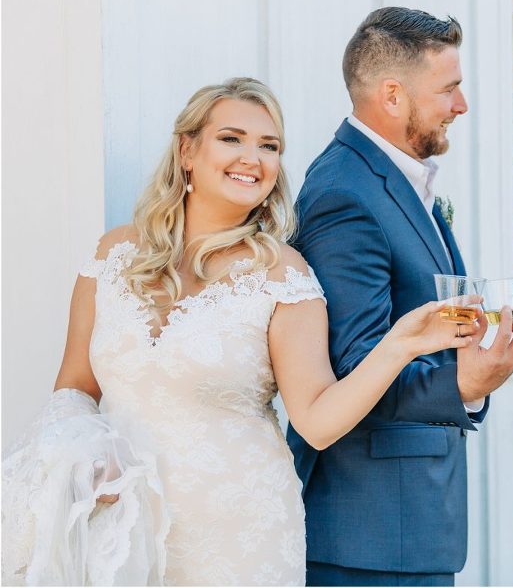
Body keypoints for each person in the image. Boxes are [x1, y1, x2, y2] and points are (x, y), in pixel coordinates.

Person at [1, 77, 484, 587]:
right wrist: (86, 455)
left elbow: (317, 420)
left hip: (239, 538)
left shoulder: (284, 275)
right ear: (187, 150)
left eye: (269, 146)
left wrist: (401, 342)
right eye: (232, 138)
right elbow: (75, 387)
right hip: (122, 530)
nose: (252, 157)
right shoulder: (111, 256)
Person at [288, 7, 513, 586]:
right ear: (393, 96)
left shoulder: (396, 177)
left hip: (410, 526)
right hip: (370, 537)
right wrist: (465, 385)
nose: (462, 105)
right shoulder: (343, 193)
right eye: (449, 88)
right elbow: (350, 370)